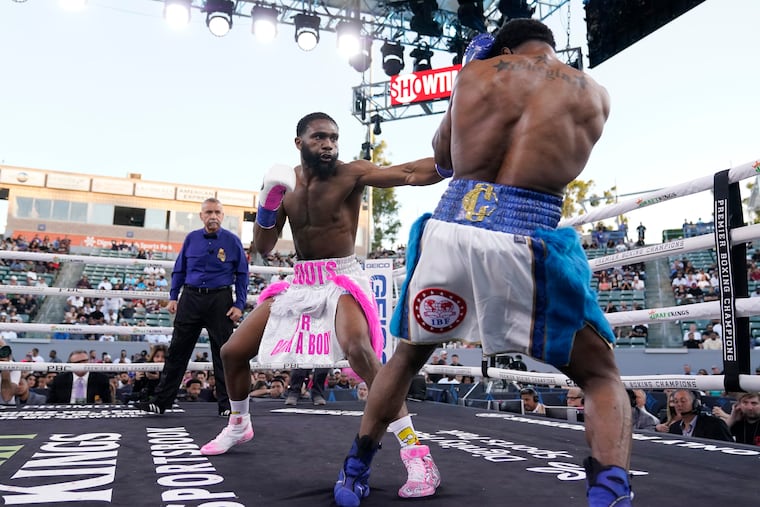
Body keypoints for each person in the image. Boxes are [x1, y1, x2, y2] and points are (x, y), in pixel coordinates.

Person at [339, 19, 633, 507]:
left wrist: (476, 71)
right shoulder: (595, 94)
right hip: (528, 238)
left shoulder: (475, 74)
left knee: (408, 357)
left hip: (451, 232)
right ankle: (611, 491)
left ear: (505, 47)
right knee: (600, 377)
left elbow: (443, 159)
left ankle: (355, 470)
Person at [198, 112, 443, 502]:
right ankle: (240, 423)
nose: (328, 145)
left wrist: (463, 159)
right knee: (233, 352)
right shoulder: (285, 183)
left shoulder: (351, 174)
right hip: (301, 280)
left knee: (361, 353)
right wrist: (267, 205)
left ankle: (417, 454)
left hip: (342, 277)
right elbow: (262, 246)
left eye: (333, 138)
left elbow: (412, 172)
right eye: (319, 138)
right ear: (299, 143)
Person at [135, 198, 249, 417]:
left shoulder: (233, 241)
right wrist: (173, 297)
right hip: (190, 298)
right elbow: (179, 270)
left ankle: (227, 405)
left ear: (223, 216)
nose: (213, 216)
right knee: (178, 351)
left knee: (223, 353)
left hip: (220, 300)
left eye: (217, 212)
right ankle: (160, 402)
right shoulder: (191, 239)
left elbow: (242, 275)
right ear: (201, 215)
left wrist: (239, 304)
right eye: (208, 212)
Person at [46, 350, 112, 404]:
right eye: (77, 362)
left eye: (84, 361)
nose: (81, 364)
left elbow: (107, 402)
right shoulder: (59, 379)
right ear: (71, 364)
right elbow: (50, 403)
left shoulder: (101, 379)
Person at [668, 389, 732, 441]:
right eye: (676, 401)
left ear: (695, 403)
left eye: (683, 401)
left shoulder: (715, 425)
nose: (679, 404)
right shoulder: (674, 428)